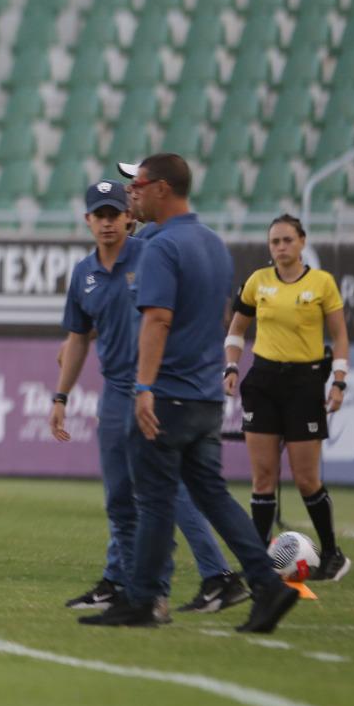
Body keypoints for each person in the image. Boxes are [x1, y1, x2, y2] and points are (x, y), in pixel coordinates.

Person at [81, 153, 299, 633]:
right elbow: (217, 319)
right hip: (205, 395)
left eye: (137, 184)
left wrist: (143, 388)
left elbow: (158, 319)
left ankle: (143, 600)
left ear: (161, 188)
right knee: (213, 496)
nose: (131, 192)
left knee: (154, 500)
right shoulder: (213, 245)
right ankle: (267, 585)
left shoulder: (160, 247)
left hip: (169, 395)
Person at [51, 181, 248, 613]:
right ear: (87, 220)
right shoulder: (84, 274)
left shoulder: (152, 254)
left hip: (157, 388)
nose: (106, 222)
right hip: (116, 392)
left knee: (165, 491)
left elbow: (173, 314)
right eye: (98, 215)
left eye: (114, 213)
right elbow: (79, 337)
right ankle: (125, 583)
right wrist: (61, 395)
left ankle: (200, 577)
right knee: (122, 496)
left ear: (128, 217)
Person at [224, 214, 352, 580]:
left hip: (304, 383)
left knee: (306, 477)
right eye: (274, 242)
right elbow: (237, 329)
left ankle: (332, 554)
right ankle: (257, 561)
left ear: (301, 242)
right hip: (263, 381)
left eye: (287, 240)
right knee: (262, 478)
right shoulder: (257, 282)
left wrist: (339, 381)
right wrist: (231, 367)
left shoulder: (322, 283)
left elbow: (340, 336)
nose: (281, 247)